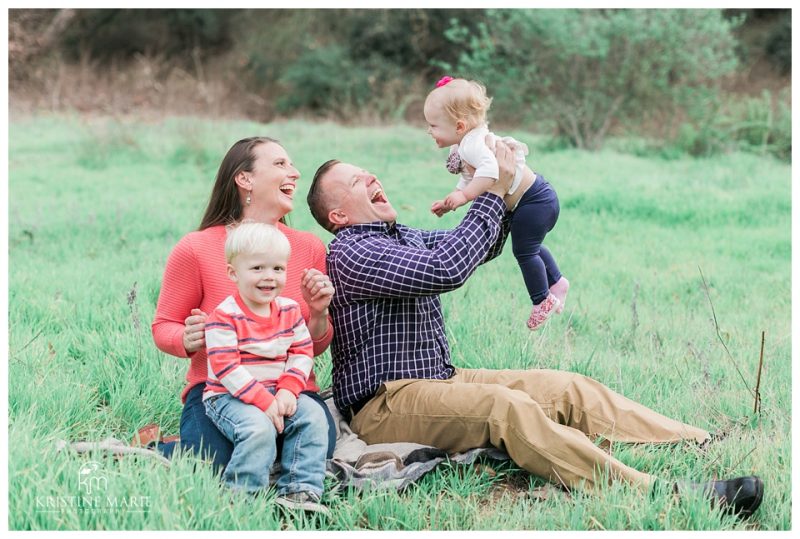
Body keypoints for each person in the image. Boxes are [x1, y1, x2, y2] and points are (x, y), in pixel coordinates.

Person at [305, 144, 763, 519]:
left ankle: (696, 440)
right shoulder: (352, 252)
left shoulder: (399, 236)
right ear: (339, 215)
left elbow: (473, 249)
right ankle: (666, 491)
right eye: (353, 181)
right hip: (385, 403)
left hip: (439, 379)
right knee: (506, 408)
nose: (369, 178)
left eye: (367, 171)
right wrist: (493, 193)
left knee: (566, 387)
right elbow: (447, 268)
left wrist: (507, 187)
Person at [148, 137, 337, 471]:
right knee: (212, 463)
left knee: (317, 448)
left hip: (288, 390)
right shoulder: (197, 248)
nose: (293, 171)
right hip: (220, 392)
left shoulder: (308, 248)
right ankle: (165, 450)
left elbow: (314, 346)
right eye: (280, 164)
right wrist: (185, 339)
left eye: (291, 164)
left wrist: (319, 312)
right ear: (245, 179)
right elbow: (164, 326)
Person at [424, 76, 568, 330]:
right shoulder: (466, 143)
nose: (429, 131)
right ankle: (558, 282)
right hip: (535, 198)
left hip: (533, 201)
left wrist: (464, 197)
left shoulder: (472, 145)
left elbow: (490, 172)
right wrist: (453, 200)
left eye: (433, 125)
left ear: (459, 126)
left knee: (524, 252)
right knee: (529, 246)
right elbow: (472, 177)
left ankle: (542, 299)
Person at [202, 222, 328, 512]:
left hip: (276, 391)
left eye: (277, 269)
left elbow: (301, 351)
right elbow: (226, 368)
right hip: (228, 396)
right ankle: (242, 498)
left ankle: (300, 491)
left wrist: (288, 391)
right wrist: (264, 401)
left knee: (313, 417)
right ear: (233, 273)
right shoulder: (224, 316)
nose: (268, 277)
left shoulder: (289, 310)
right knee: (258, 429)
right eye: (257, 268)